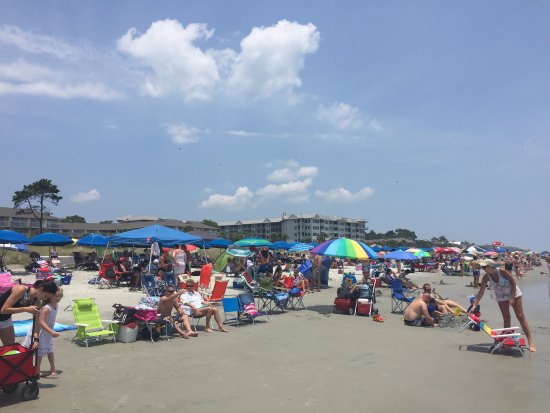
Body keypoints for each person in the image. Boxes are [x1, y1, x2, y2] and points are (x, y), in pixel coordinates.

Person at [470, 259, 536, 352]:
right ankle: (506, 340)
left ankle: (530, 340)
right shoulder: (486, 276)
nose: (483, 268)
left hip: (514, 293)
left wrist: (512, 297)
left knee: (520, 316)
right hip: (501, 296)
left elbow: (513, 282)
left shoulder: (502, 271)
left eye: (485, 267)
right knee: (506, 317)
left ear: (490, 266)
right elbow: (481, 291)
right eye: (482, 267)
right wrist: (475, 305)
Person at [0, 279, 58, 346]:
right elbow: (3, 310)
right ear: (41, 289)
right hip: (3, 314)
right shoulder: (21, 289)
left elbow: (36, 323)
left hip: (5, 319)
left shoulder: (37, 302)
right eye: (45, 296)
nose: (44, 299)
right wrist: (26, 309)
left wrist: (36, 339)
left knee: (10, 348)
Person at [23, 288, 63, 377]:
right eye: (56, 296)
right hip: (40, 332)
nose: (59, 298)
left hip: (47, 332)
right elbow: (41, 322)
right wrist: (51, 331)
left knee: (50, 350)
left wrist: (50, 331)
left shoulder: (55, 306)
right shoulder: (46, 308)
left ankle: (53, 369)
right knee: (40, 352)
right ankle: (37, 370)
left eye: (60, 296)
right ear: (49, 297)